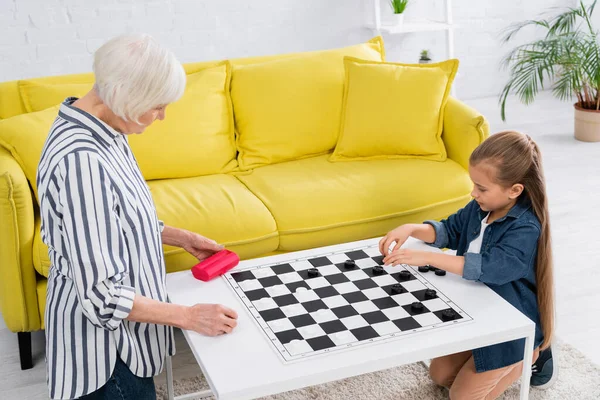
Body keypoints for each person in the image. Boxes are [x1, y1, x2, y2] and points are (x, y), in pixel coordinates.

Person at [36, 34, 238, 400]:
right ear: (124, 95)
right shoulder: (83, 161)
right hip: (105, 358)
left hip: (124, 344)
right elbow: (102, 295)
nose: (161, 116)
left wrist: (177, 236)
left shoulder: (104, 128)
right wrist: (189, 317)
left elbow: (112, 217)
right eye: (157, 106)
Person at [379, 131, 556, 399]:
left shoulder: (526, 227)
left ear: (514, 190)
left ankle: (532, 353)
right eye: (474, 184)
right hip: (478, 310)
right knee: (440, 375)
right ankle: (508, 355)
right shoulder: (480, 207)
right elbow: (449, 230)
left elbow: (491, 268)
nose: (473, 193)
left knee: (460, 396)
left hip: (508, 323)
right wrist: (411, 228)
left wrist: (427, 257)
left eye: (482, 188)